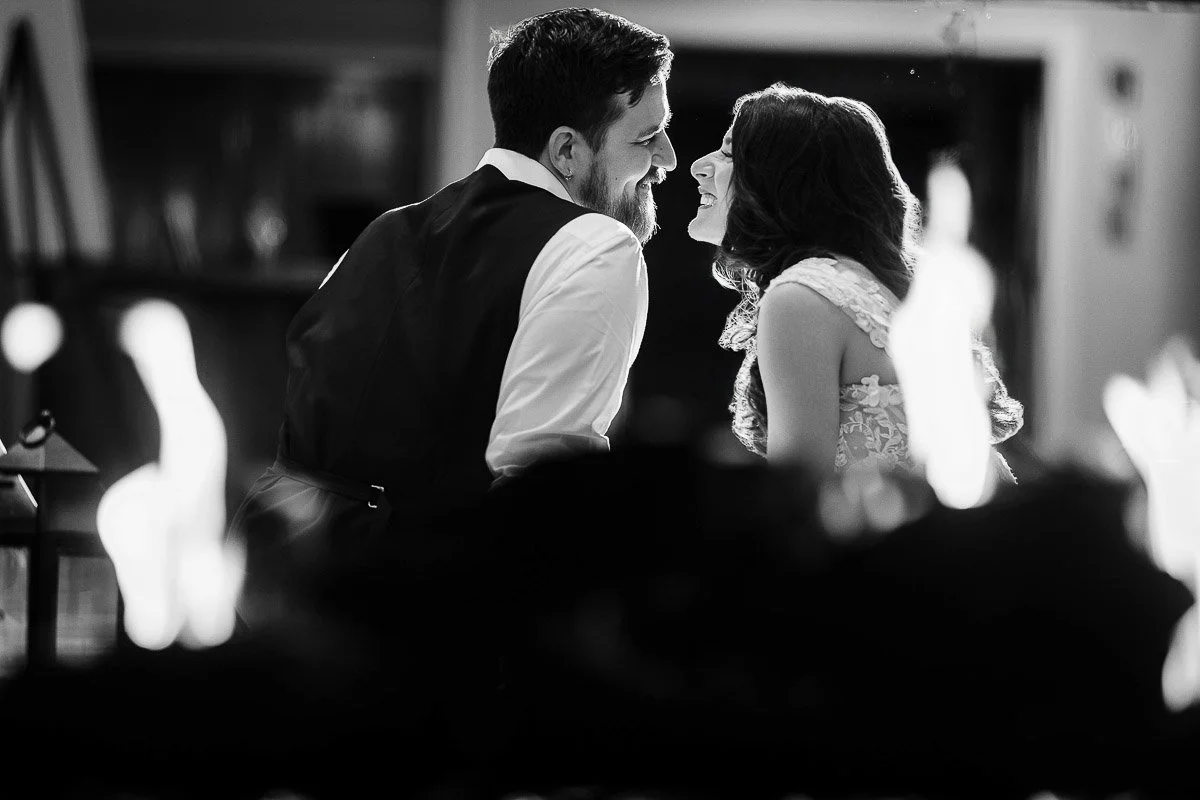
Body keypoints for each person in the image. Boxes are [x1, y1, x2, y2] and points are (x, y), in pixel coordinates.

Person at [228, 8, 677, 620]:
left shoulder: (385, 231)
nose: (670, 160)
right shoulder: (596, 245)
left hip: (273, 585)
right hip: (420, 612)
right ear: (567, 150)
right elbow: (543, 487)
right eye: (647, 138)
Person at [688, 82, 1022, 478]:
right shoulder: (876, 285)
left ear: (784, 181)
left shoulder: (801, 296)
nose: (699, 166)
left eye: (729, 153)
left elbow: (800, 491)